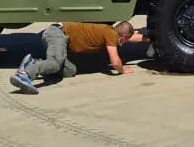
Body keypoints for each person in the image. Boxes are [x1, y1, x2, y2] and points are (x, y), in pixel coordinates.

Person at [10, 21, 147, 95]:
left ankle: (34, 62)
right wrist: (123, 70)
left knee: (70, 70)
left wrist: (150, 39)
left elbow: (133, 37)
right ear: (122, 36)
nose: (124, 43)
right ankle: (25, 75)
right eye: (125, 40)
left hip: (61, 39)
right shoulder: (110, 34)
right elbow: (115, 61)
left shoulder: (111, 32)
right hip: (57, 34)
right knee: (55, 63)